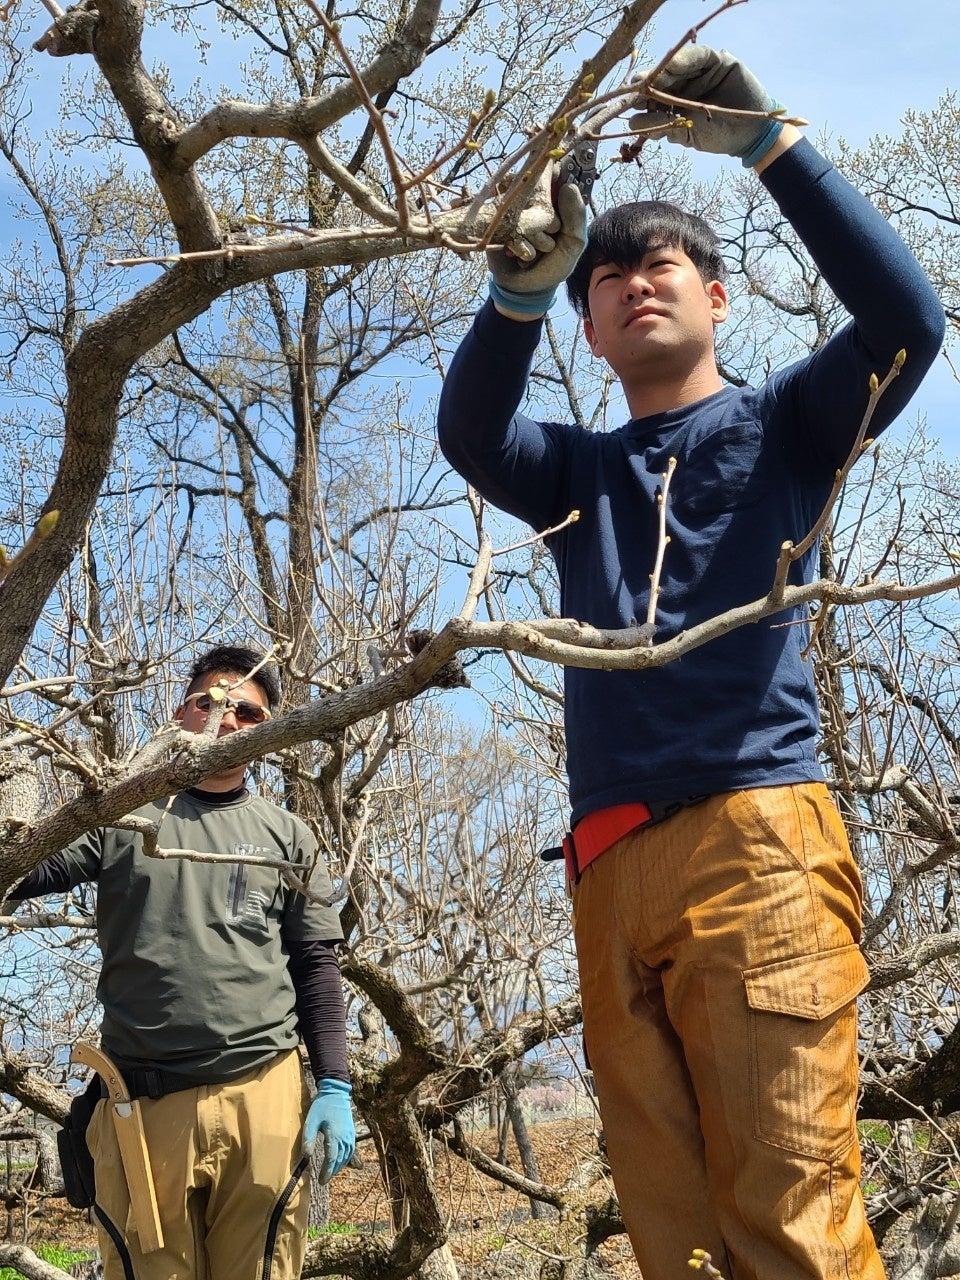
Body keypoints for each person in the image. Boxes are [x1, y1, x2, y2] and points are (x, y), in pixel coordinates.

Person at [436, 46, 945, 1280]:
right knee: (679, 1245)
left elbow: (908, 324)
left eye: (659, 265)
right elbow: (472, 432)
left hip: (754, 838)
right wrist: (515, 292)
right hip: (606, 868)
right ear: (590, 330)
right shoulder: (578, 473)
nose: (631, 285)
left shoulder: (785, 422)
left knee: (793, 1221)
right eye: (604, 279)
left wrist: (771, 145)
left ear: (718, 297)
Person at [10, 644, 354, 1280]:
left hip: (263, 1095)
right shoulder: (118, 817)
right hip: (142, 1106)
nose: (228, 719)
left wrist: (334, 1083)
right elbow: (26, 868)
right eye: (211, 701)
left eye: (249, 713)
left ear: (269, 730)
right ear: (181, 713)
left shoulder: (289, 836)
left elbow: (316, 967)